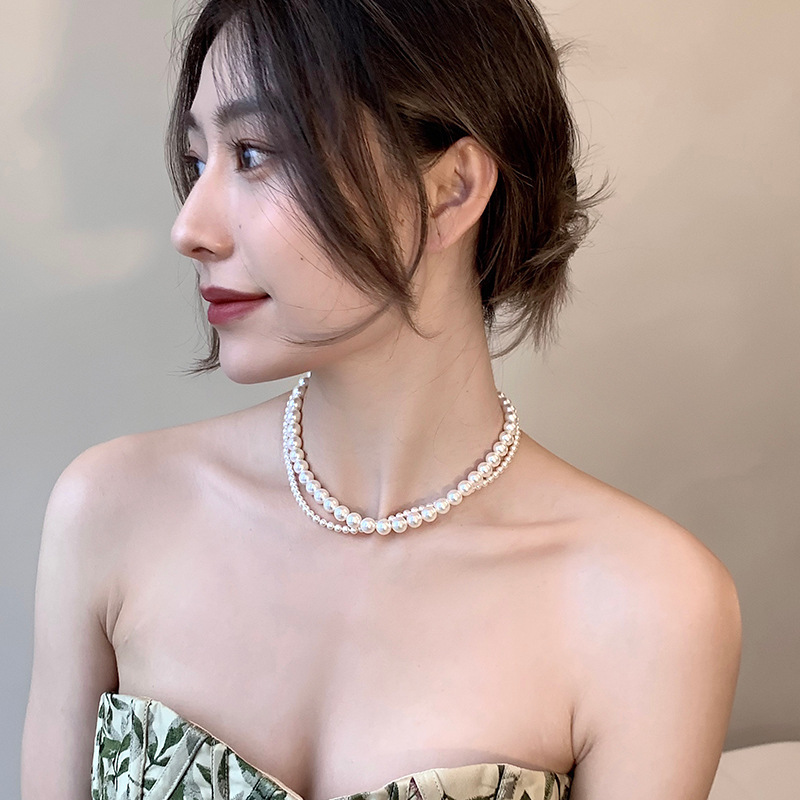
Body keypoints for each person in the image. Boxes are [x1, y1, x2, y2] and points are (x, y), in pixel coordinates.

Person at [21, 1, 742, 798]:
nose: (190, 227)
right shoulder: (113, 513)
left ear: (450, 191)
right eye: (199, 161)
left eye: (254, 154)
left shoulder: (648, 605)